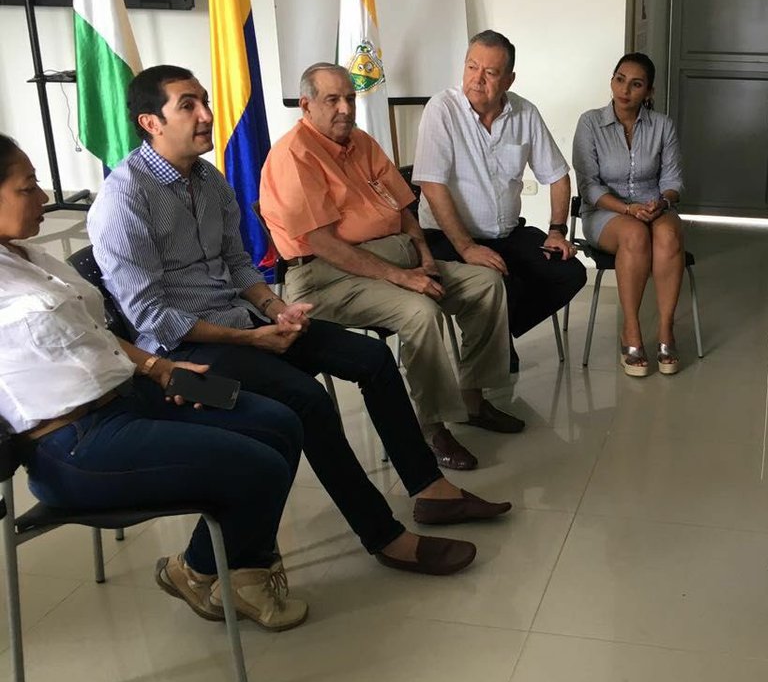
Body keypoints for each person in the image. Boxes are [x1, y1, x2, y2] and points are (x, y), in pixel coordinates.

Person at [87, 65, 509, 580]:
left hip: (246, 322)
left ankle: (429, 489)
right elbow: (152, 317)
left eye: (205, 101)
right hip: (185, 362)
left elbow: (240, 265)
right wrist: (250, 337)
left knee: (373, 358)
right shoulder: (124, 197)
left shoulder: (210, 179)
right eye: (188, 106)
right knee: (305, 400)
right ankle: (385, 536)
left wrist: (273, 309)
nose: (206, 115)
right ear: (150, 122)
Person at [0, 134, 308, 630]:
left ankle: (226, 568)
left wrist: (161, 368)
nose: (43, 198)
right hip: (76, 439)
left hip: (140, 388)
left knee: (280, 421)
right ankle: (209, 570)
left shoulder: (31, 259)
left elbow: (96, 333)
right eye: (27, 187)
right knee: (257, 465)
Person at [260, 63, 521, 472]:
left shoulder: (361, 142)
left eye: (350, 97)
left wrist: (427, 259)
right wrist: (404, 278)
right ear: (306, 106)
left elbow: (404, 210)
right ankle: (431, 427)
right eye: (333, 100)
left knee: (486, 283)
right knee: (421, 311)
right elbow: (324, 244)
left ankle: (473, 399)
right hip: (326, 276)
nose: (346, 108)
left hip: (395, 257)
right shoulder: (294, 156)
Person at [414, 30, 587, 372]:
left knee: (569, 273)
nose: (477, 80)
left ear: (508, 79)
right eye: (471, 67)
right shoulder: (442, 110)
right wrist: (466, 248)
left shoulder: (524, 113)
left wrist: (557, 230)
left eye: (490, 73)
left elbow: (557, 176)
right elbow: (432, 186)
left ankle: (495, 336)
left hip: (507, 234)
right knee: (499, 284)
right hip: (449, 238)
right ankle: (491, 345)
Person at [572, 53, 686, 376]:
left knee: (667, 233)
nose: (625, 90)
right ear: (611, 80)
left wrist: (660, 204)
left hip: (653, 208)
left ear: (648, 92)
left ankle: (665, 330)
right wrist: (627, 209)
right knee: (634, 234)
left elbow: (674, 181)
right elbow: (589, 186)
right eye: (620, 79)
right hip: (605, 213)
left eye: (636, 85)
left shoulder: (663, 126)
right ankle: (631, 330)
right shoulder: (590, 123)